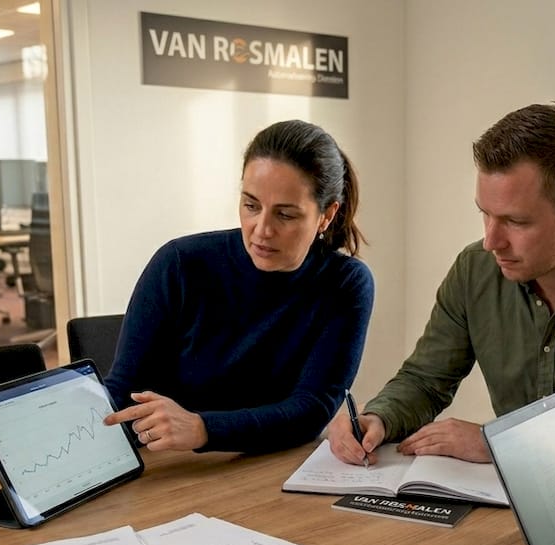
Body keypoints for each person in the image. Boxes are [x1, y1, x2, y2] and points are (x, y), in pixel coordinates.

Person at [327, 103, 555, 476]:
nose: (491, 241)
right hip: (516, 494)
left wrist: (499, 441)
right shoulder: (475, 270)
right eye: (484, 214)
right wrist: (379, 417)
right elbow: (426, 380)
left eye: (515, 221)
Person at [103, 119, 374, 454]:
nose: (261, 230)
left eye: (285, 215)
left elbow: (312, 409)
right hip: (172, 468)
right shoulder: (179, 263)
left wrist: (204, 429)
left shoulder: (345, 284)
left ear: (326, 215)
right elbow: (121, 393)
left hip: (269, 469)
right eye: (251, 205)